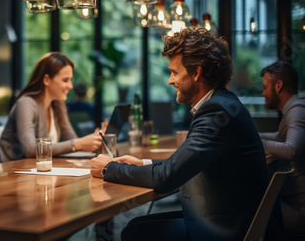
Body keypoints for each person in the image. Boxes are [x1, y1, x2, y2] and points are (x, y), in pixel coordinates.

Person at [91, 28, 276, 240]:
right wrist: (144, 163)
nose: (170, 80)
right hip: (232, 218)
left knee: (135, 232)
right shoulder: (224, 102)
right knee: (136, 225)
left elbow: (166, 179)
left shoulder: (217, 111)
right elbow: (183, 163)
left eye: (175, 72)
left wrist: (108, 167)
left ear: (196, 73)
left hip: (228, 230)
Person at [0, 52, 105, 162]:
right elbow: (30, 149)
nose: (71, 86)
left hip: (41, 170)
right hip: (13, 173)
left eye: (70, 80)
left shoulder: (58, 105)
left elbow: (72, 142)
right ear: (46, 80)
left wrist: (94, 141)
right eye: (65, 80)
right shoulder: (26, 103)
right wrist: (78, 144)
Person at [260, 61, 305, 234]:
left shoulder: (297, 110)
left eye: (265, 87)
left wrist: (254, 142)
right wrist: (250, 135)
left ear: (278, 85)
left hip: (299, 211)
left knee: (245, 203)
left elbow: (291, 149)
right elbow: (280, 138)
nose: (263, 93)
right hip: (291, 201)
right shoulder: (293, 110)